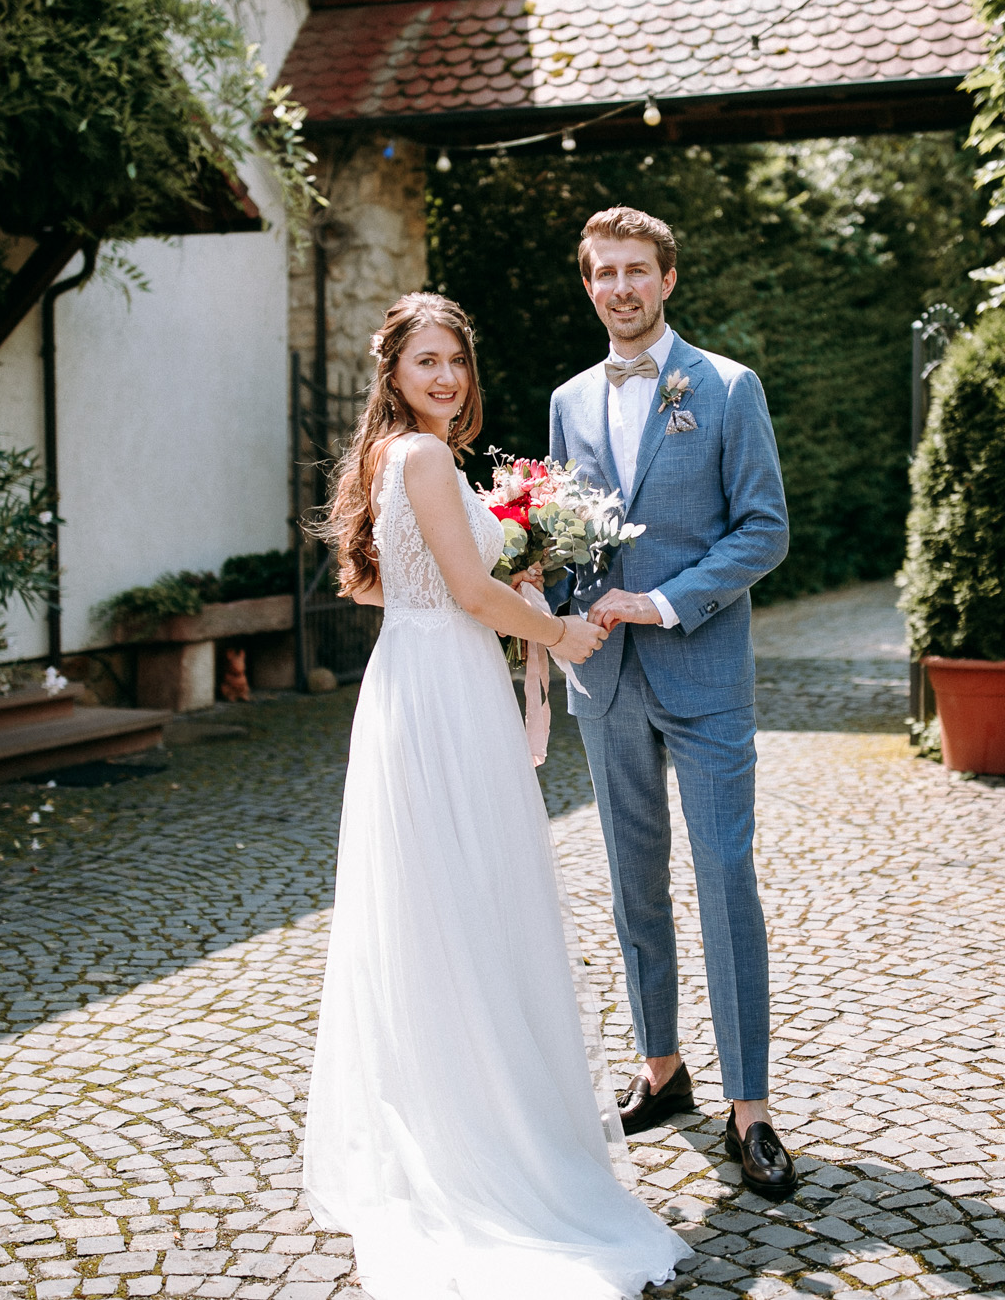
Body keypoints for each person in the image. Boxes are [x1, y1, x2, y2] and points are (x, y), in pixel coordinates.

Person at [302, 292, 690, 1299]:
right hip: (443, 691)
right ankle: (490, 1147)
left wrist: (499, 576)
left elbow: (378, 584)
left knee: (438, 911)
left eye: (454, 363)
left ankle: (452, 1119)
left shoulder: (393, 457)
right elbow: (468, 592)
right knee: (471, 905)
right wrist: (551, 630)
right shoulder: (425, 459)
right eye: (424, 361)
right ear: (393, 371)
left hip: (416, 679)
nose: (443, 377)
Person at [546, 207, 796, 1201]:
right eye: (602, 272)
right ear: (588, 284)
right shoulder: (567, 399)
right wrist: (544, 597)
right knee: (629, 878)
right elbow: (565, 530)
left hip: (700, 672)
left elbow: (763, 529)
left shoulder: (728, 388)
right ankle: (660, 1067)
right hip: (601, 676)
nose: (619, 286)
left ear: (667, 279)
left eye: (635, 271)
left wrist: (658, 600)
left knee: (724, 874)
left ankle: (750, 1108)